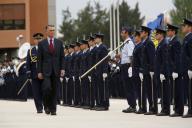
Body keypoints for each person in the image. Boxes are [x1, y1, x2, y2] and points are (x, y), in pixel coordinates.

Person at [37, 25, 64, 115]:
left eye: (53, 30)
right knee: (47, 88)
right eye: (50, 30)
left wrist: (62, 68)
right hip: (46, 71)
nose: (52, 32)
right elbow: (39, 59)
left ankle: (53, 109)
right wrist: (39, 71)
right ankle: (46, 106)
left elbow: (62, 57)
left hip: (56, 70)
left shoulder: (59, 43)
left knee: (55, 90)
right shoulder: (41, 43)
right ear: (46, 32)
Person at [166, 24, 183, 117]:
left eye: (169, 31)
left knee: (177, 91)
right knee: (174, 90)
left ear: (173, 31)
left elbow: (177, 58)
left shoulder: (176, 42)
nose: (167, 32)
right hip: (171, 70)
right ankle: (176, 109)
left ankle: (178, 110)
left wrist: (176, 70)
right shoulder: (171, 41)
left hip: (176, 71)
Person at [140, 26, 156, 115]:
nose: (141, 33)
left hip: (149, 71)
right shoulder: (144, 42)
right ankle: (149, 107)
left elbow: (152, 58)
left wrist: (152, 69)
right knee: (147, 89)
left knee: (151, 90)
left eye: (142, 32)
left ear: (146, 33)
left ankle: (152, 108)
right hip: (145, 70)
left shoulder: (149, 43)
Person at [26, 33, 44, 113]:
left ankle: (44, 104)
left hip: (44, 74)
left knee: (45, 91)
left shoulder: (45, 50)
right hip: (34, 75)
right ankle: (39, 108)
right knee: (36, 92)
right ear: (34, 40)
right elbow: (28, 63)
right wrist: (29, 75)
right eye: (36, 39)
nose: (38, 40)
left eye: (40, 39)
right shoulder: (30, 51)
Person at [154, 27, 170, 116]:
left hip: (163, 72)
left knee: (165, 91)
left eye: (157, 34)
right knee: (162, 91)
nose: (156, 35)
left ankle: (165, 109)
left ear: (161, 35)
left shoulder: (164, 44)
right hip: (159, 71)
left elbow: (165, 60)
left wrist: (162, 72)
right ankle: (163, 108)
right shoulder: (160, 44)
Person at [120, 27, 136, 113]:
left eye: (122, 32)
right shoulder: (125, 43)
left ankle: (133, 105)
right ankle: (131, 104)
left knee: (129, 87)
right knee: (126, 87)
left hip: (127, 66)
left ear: (126, 33)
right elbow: (124, 56)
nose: (121, 34)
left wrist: (130, 67)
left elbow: (131, 56)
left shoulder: (129, 43)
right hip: (123, 65)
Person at [180, 18, 192, 118]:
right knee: (187, 90)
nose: (182, 27)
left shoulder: (191, 38)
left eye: (184, 26)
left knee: (190, 90)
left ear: (189, 27)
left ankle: (190, 111)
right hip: (185, 69)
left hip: (189, 69)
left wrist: (191, 68)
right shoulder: (186, 38)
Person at [132, 30, 144, 114]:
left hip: (138, 71)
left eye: (135, 36)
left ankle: (142, 107)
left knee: (140, 90)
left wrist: (141, 70)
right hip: (135, 71)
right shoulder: (136, 46)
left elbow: (141, 60)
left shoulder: (140, 46)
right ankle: (140, 106)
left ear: (139, 37)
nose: (134, 38)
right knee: (137, 90)